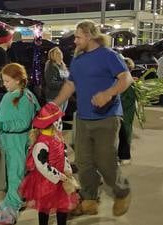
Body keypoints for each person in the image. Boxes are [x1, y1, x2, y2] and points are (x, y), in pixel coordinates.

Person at [52, 20, 132, 217]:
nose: (75, 41)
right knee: (83, 161)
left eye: (78, 37)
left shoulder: (109, 55)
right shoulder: (78, 60)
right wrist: (54, 105)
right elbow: (71, 85)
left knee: (105, 161)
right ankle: (89, 200)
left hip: (107, 117)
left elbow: (126, 78)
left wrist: (108, 93)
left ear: (89, 35)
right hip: (83, 118)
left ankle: (122, 192)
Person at [0, 63, 40, 225]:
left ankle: (12, 209)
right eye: (4, 81)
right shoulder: (10, 95)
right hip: (8, 142)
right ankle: (9, 200)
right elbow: (4, 114)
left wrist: (2, 126)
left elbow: (23, 122)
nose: (4, 84)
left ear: (18, 79)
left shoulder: (25, 97)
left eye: (7, 81)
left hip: (18, 143)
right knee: (11, 175)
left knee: (16, 175)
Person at [19, 102, 78, 225]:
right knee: (44, 207)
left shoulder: (57, 137)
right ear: (52, 123)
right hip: (46, 182)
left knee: (62, 206)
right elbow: (42, 166)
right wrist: (59, 175)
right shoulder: (41, 143)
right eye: (58, 120)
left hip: (61, 179)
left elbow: (64, 154)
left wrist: (68, 170)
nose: (60, 122)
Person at [118, 58, 137, 165]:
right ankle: (121, 155)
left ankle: (123, 156)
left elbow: (127, 98)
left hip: (126, 110)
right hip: (122, 110)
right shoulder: (123, 78)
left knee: (125, 132)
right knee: (122, 133)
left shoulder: (129, 81)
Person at [44, 47, 70, 112]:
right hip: (54, 97)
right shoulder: (50, 65)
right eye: (57, 53)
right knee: (55, 119)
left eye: (60, 52)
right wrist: (65, 84)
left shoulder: (62, 65)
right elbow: (51, 83)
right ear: (52, 55)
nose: (60, 54)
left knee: (60, 118)